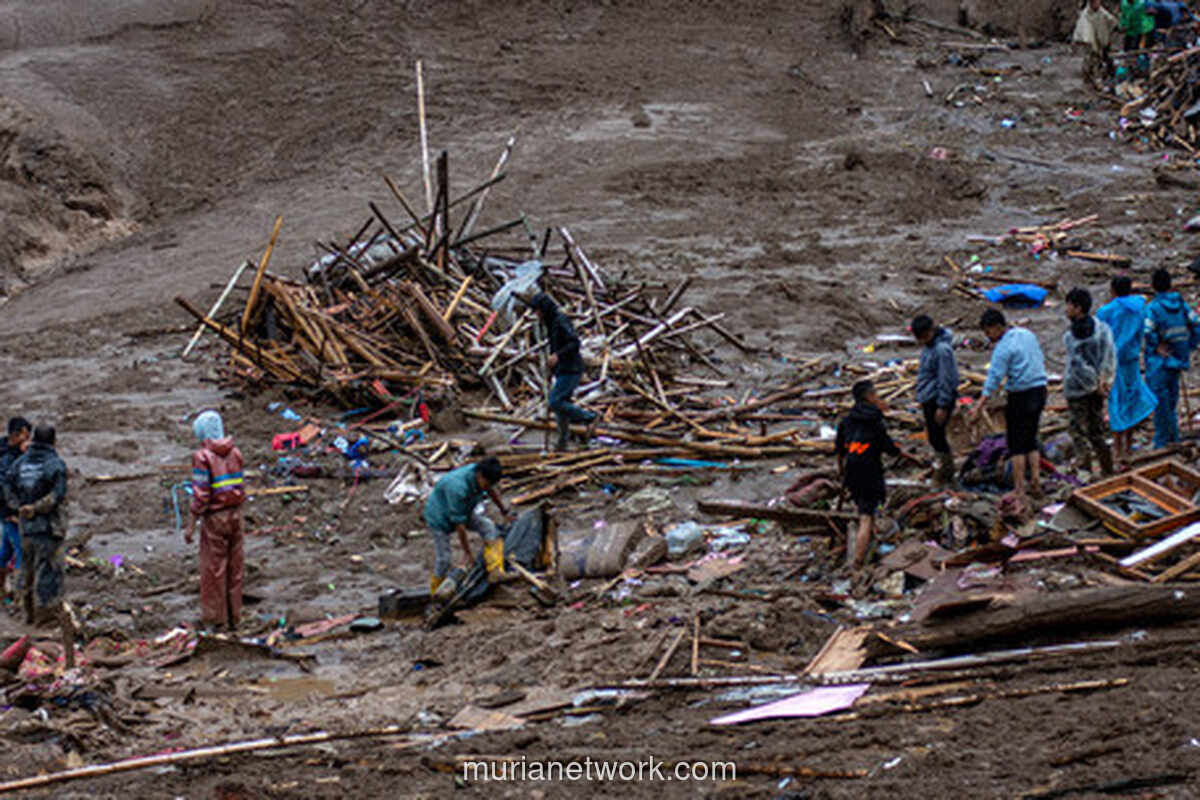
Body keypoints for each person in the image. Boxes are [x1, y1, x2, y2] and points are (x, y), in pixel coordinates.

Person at [969, 309, 1048, 504]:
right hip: (1040, 390)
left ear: (996, 327)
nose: (988, 337)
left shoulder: (1003, 348)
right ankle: (1036, 481)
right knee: (1031, 437)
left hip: (1021, 395)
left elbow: (993, 379)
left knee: (1016, 444)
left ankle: (1019, 488)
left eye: (988, 332)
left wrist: (979, 406)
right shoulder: (1027, 334)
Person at [186, 410, 247, 631]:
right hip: (236, 515)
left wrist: (191, 524)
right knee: (235, 568)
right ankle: (234, 617)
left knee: (214, 570)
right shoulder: (236, 454)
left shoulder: (202, 457)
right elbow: (240, 487)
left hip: (215, 518)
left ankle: (216, 620)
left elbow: (201, 495)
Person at [835, 380, 905, 569]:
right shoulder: (876, 421)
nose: (878, 398)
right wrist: (905, 454)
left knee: (866, 511)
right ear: (868, 397)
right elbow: (890, 449)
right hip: (870, 472)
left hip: (852, 472)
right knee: (866, 517)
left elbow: (840, 452)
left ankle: (866, 550)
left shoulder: (847, 421)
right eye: (875, 395)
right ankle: (857, 563)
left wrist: (843, 474)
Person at [4, 425, 67, 626]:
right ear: (53, 441)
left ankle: (28, 614)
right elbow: (57, 495)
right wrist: (36, 507)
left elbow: (6, 484)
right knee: (48, 572)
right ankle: (46, 619)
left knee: (27, 569)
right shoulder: (55, 464)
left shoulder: (20, 463)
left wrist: (17, 506)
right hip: (48, 527)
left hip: (26, 528)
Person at [423, 457, 512, 594]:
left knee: (488, 526)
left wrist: (503, 510)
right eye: (487, 483)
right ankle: (435, 592)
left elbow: (490, 490)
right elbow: (460, 525)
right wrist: (467, 553)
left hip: (463, 509)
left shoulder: (481, 473)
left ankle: (495, 570)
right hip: (439, 516)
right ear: (480, 476)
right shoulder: (458, 488)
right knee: (444, 559)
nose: (488, 487)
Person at [1097, 275, 1158, 469]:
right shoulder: (1140, 308)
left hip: (1113, 362)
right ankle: (1129, 446)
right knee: (1132, 399)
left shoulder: (1106, 311)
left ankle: (1117, 449)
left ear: (1113, 291)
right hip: (1131, 360)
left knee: (1116, 402)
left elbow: (1100, 338)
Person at [529, 292, 597, 451]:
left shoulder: (560, 321)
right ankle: (562, 444)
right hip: (562, 369)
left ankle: (589, 417)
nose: (536, 315)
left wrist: (558, 356)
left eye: (537, 311)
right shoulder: (550, 322)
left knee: (556, 402)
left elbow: (574, 343)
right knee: (561, 411)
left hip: (571, 369)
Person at [1063, 288, 1117, 475]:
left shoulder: (1072, 337)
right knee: (1097, 432)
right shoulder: (1101, 328)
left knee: (1078, 432)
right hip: (1098, 389)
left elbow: (1078, 366)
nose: (1066, 309)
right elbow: (1109, 357)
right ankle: (1107, 469)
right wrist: (1104, 381)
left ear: (1078, 308)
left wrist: (1094, 385)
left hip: (1079, 391)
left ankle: (1085, 474)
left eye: (1068, 305)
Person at [1144, 268, 1200, 448]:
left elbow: (1147, 332)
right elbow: (1196, 325)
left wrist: (1156, 346)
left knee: (1160, 405)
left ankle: (1163, 443)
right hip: (1177, 361)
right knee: (1171, 403)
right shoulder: (1181, 304)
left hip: (1159, 364)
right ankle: (1173, 438)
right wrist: (1189, 346)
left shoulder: (1154, 308)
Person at [912, 314, 960, 485]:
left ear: (931, 331)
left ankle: (946, 473)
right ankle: (945, 471)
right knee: (934, 436)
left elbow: (948, 379)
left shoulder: (942, 350)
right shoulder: (929, 347)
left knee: (937, 437)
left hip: (937, 399)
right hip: (929, 397)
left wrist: (943, 405)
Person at [0, 417, 31, 599]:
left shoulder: (12, 452)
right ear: (15, 435)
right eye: (25, 436)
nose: (27, 440)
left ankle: (2, 589)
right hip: (9, 512)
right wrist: (14, 512)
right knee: (22, 553)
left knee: (6, 549)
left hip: (8, 511)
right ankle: (21, 598)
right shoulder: (6, 459)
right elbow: (4, 488)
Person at [1073, 0, 1119, 86]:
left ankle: (1109, 77)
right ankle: (1093, 78)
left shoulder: (1102, 12)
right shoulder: (1086, 15)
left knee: (1106, 58)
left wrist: (1117, 26)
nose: (1097, 4)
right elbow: (1083, 29)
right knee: (1093, 60)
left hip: (1103, 40)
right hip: (1092, 43)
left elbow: (1111, 21)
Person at [1121, 0, 1155, 73]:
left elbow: (1150, 15)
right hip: (1130, 30)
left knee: (1141, 51)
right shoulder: (1124, 3)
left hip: (1142, 30)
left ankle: (1144, 70)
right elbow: (1124, 16)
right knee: (1128, 51)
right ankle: (1130, 69)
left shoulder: (1143, 3)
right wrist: (1122, 25)